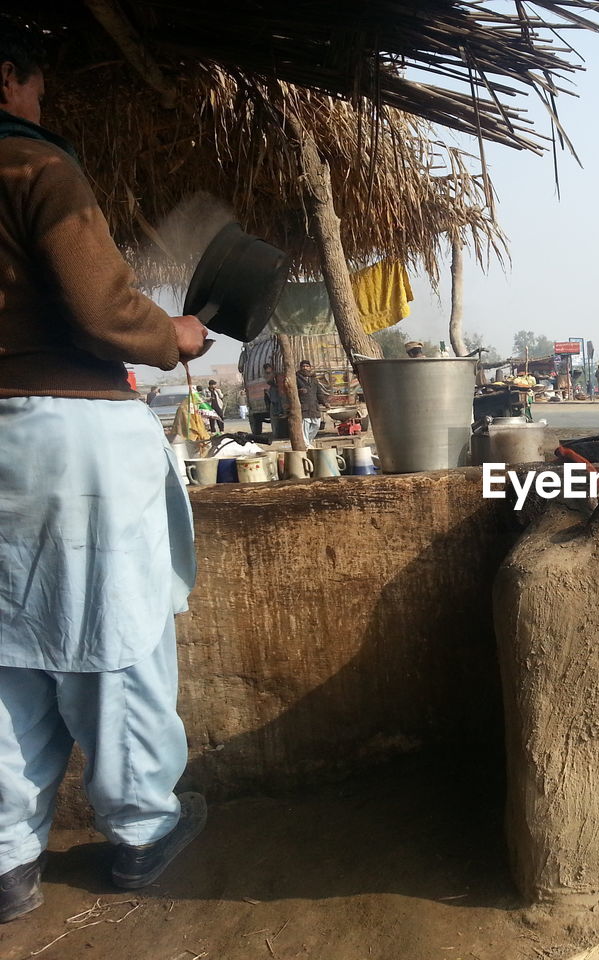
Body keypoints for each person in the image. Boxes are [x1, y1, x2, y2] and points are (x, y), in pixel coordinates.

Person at [0, 26, 207, 923]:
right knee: (113, 640)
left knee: (6, 653)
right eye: (37, 89)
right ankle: (141, 832)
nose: (39, 106)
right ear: (9, 75)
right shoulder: (32, 166)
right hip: (64, 432)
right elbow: (99, 308)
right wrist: (174, 336)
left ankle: (8, 860)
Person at [296, 359, 329, 445]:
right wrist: (299, 391)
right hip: (304, 407)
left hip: (314, 407)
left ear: (310, 368)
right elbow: (290, 391)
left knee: (316, 425)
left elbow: (319, 393)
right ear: (300, 368)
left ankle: (308, 442)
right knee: (305, 427)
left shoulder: (313, 379)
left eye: (307, 366)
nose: (305, 368)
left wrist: (325, 402)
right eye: (303, 366)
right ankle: (306, 444)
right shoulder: (296, 378)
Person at [262, 361, 286, 437]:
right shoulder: (269, 374)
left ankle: (279, 411)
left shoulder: (270, 373)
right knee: (275, 401)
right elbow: (269, 381)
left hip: (277, 388)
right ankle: (278, 412)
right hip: (274, 388)